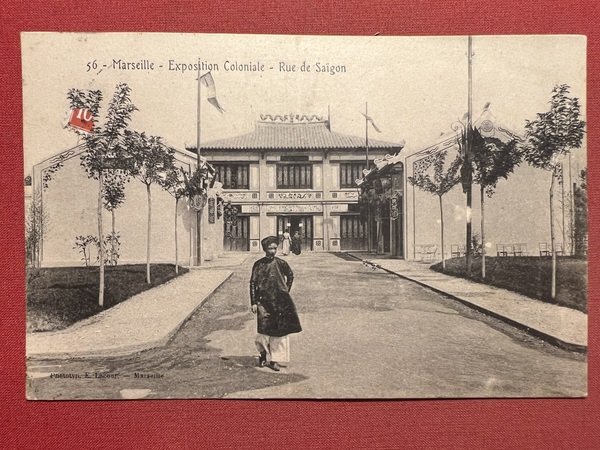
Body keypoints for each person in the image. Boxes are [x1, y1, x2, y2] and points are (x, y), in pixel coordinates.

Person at [250, 236, 302, 371]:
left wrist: (286, 290)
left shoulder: (281, 263)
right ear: (264, 249)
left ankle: (275, 360)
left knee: (279, 333)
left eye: (274, 248)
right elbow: (253, 283)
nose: (272, 251)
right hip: (263, 302)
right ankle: (262, 354)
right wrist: (254, 302)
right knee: (263, 332)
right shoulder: (258, 265)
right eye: (269, 248)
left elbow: (290, 275)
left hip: (280, 302)